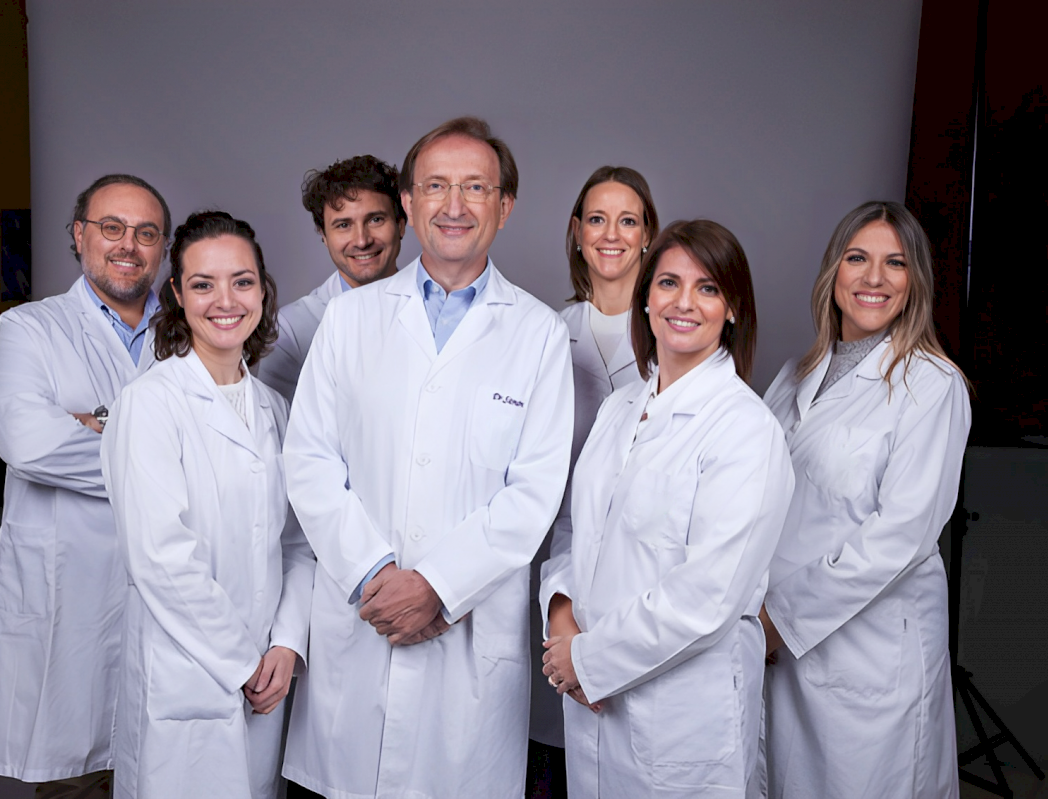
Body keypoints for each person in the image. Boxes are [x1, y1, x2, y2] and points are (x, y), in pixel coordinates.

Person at [282, 116, 574, 799]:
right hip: (362, 620)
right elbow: (310, 460)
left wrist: (437, 586)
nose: (454, 204)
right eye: (436, 185)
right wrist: (374, 574)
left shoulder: (538, 334)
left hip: (466, 632)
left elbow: (534, 493)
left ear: (505, 206)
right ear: (409, 204)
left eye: (475, 186)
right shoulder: (349, 320)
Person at [540, 219, 794, 799]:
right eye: (669, 283)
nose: (684, 303)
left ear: (733, 309)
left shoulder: (745, 429)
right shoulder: (619, 410)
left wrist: (591, 660)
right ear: (646, 298)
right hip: (591, 700)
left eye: (708, 288)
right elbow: (576, 529)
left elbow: (707, 596)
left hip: (680, 720)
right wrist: (561, 614)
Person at [100, 211, 316, 799]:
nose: (225, 301)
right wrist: (241, 662)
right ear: (177, 294)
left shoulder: (276, 410)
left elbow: (299, 542)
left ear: (263, 291)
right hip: (188, 673)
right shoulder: (149, 404)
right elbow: (160, 557)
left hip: (267, 673)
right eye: (203, 284)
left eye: (242, 281)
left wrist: (286, 644)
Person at [0, 174, 170, 795]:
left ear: (163, 247)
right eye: (111, 227)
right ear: (79, 235)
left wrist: (98, 422)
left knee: (168, 770)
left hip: (170, 588)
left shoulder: (194, 331)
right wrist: (166, 458)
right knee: (74, 778)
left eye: (146, 232)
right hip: (69, 593)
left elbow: (226, 449)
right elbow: (31, 444)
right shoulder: (29, 328)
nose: (128, 244)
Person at [759, 201, 970, 798]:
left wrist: (780, 619)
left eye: (895, 263)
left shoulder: (932, 384)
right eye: (857, 258)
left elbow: (900, 536)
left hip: (866, 652)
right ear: (834, 271)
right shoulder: (793, 376)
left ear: (915, 281)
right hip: (775, 641)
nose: (874, 277)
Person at [527, 166, 658, 795]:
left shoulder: (674, 330)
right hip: (555, 560)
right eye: (597, 220)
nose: (611, 234)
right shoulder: (546, 333)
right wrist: (560, 604)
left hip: (644, 567)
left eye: (627, 220)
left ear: (648, 235)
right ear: (577, 233)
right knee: (549, 748)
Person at [255, 154, 406, 399]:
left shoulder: (437, 306)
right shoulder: (293, 329)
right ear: (323, 236)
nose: (362, 240)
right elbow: (277, 419)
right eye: (343, 225)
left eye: (376, 219)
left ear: (400, 225)